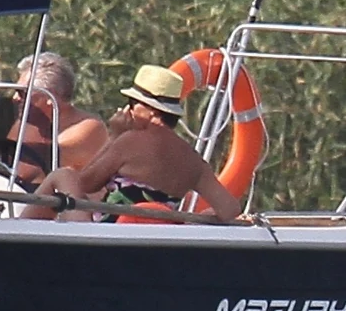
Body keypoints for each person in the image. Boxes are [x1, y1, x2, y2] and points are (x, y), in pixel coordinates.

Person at [20, 65, 242, 223]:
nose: (127, 110)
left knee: (64, 175)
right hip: (152, 239)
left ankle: (20, 231)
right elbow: (230, 209)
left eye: (132, 103)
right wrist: (193, 221)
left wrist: (115, 137)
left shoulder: (131, 141)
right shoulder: (194, 161)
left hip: (109, 234)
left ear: (151, 110)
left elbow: (86, 183)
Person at [0, 52, 107, 187]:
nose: (15, 98)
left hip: (69, 205)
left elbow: (47, 158)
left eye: (22, 93)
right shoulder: (22, 126)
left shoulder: (90, 127)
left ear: (50, 97)